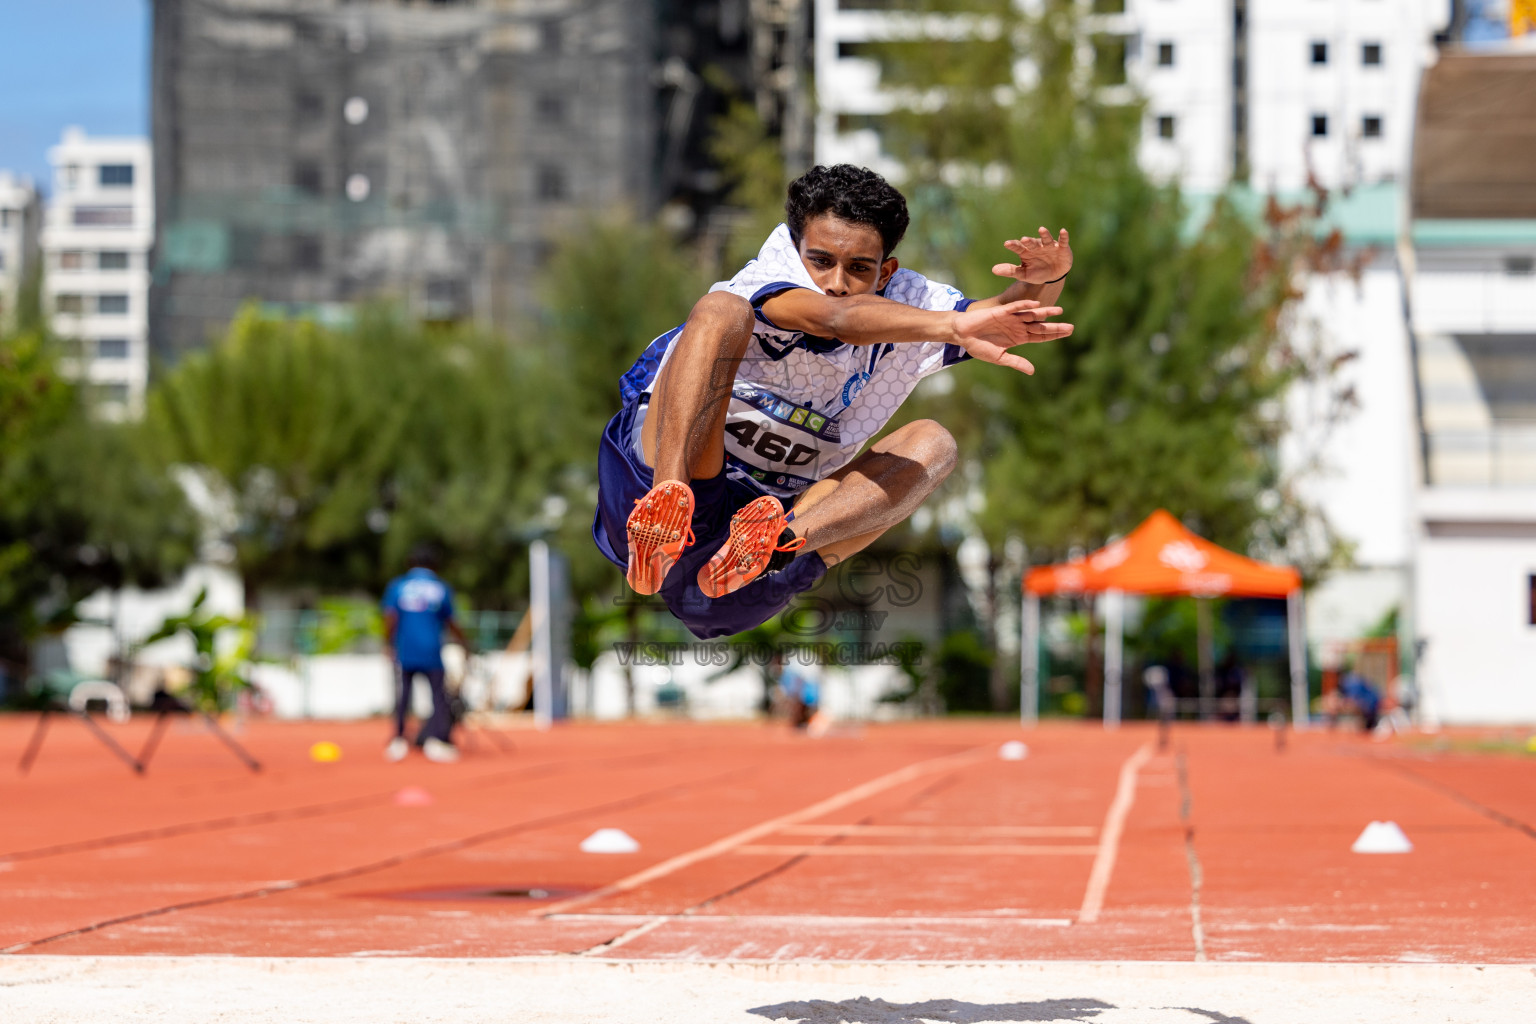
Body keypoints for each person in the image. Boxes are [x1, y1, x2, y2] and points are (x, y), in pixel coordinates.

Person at [593, 164, 1074, 638]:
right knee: (721, 311)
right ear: (796, 251)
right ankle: (666, 505)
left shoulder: (912, 300)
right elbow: (836, 317)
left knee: (935, 444)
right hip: (662, 479)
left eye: (859, 268)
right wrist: (951, 326)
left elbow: (1003, 316)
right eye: (820, 261)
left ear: (886, 272)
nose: (836, 280)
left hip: (759, 536)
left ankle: (776, 545)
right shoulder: (771, 274)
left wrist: (1046, 278)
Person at [381, 546, 473, 762]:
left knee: (403, 697)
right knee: (438, 697)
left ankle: (398, 740)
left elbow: (390, 617)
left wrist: (388, 643)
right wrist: (465, 644)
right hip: (432, 650)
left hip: (405, 649)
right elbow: (452, 621)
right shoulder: (440, 587)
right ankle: (437, 741)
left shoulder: (399, 586)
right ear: (434, 565)